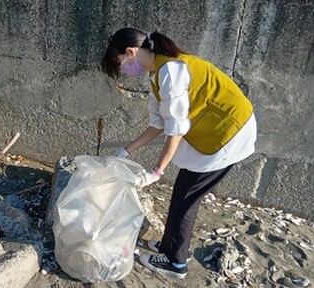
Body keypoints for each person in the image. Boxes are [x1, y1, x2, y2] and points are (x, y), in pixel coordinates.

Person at [101, 28, 257, 279]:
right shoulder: (157, 73)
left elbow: (175, 129)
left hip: (230, 133)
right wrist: (125, 151)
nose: (123, 69)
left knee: (186, 198)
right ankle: (168, 246)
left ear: (130, 53)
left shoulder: (171, 72)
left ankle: (175, 262)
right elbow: (158, 124)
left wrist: (157, 171)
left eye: (121, 62)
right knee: (182, 193)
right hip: (218, 130)